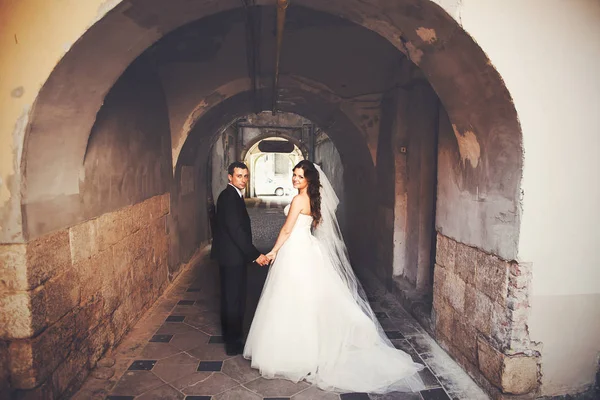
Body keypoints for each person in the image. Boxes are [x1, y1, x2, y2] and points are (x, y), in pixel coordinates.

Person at [243, 160, 425, 393]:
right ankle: (311, 348)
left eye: (300, 176)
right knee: (308, 299)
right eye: (294, 175)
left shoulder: (300, 199)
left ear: (309, 179)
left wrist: (273, 251)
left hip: (295, 250)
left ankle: (294, 354)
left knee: (291, 299)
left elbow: (287, 230)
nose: (295, 179)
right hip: (307, 247)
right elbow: (314, 225)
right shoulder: (314, 200)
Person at [214, 162, 269, 356]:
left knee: (234, 298)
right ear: (230, 177)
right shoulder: (228, 197)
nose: (243, 180)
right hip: (231, 257)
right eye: (239, 176)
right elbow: (236, 231)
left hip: (233, 256)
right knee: (232, 299)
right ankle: (232, 343)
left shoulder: (234, 195)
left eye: (245, 176)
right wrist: (255, 254)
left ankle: (234, 337)